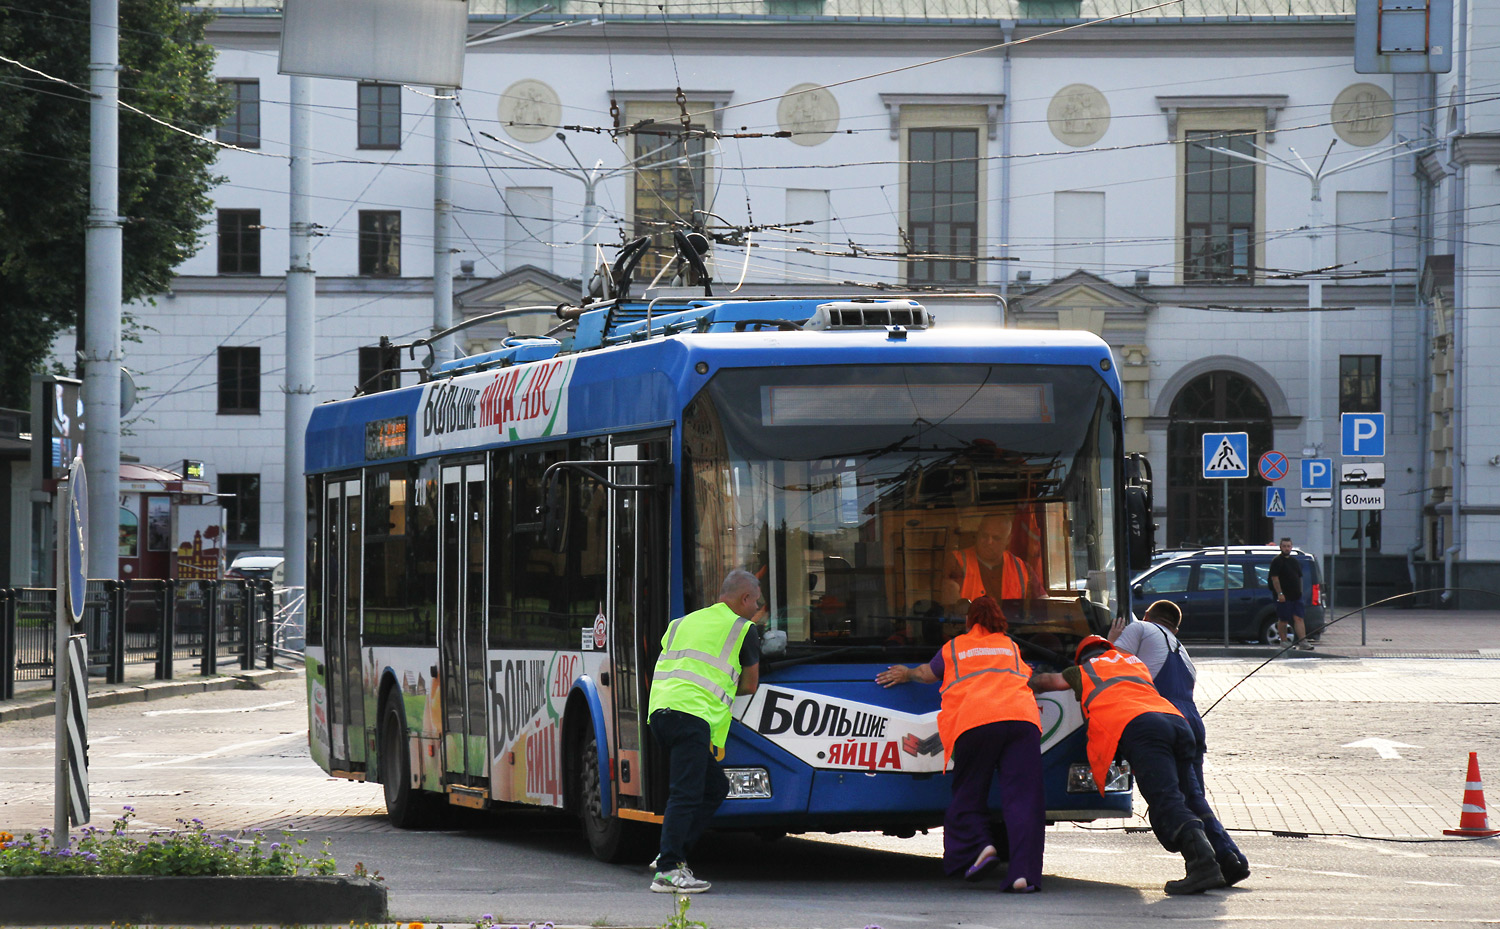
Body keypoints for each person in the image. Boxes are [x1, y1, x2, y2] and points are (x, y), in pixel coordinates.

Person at [1033, 635, 1228, 895]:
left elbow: (1047, 682)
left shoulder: (1084, 670)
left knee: (1166, 801)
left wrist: (1015, 678)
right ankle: (1226, 861)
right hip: (1177, 722)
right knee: (1187, 798)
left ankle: (1203, 865)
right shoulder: (1132, 662)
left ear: (1081, 658)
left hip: (1141, 728)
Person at [875, 596, 1046, 893]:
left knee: (969, 793)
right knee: (1024, 801)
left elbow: (927, 674)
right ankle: (1023, 875)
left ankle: (980, 847)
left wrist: (907, 673)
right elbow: (1027, 676)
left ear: (968, 620)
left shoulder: (955, 647)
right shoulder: (1010, 646)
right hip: (1023, 721)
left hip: (977, 722)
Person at [1110, 602, 1250, 886]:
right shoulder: (1182, 650)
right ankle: (1230, 858)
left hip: (1161, 719)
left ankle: (1212, 861)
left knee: (1174, 798)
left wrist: (1110, 641)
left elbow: (1113, 666)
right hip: (1192, 722)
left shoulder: (1139, 628)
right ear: (1175, 628)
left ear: (1147, 616)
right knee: (1194, 797)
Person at [646, 569, 763, 894]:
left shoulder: (681, 623)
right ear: (745, 598)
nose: (758, 608)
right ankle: (668, 872)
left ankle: (670, 852)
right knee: (685, 793)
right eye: (757, 601)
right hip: (691, 716)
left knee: (714, 787)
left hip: (661, 714)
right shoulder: (743, 629)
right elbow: (750, 685)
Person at [942, 512, 1040, 615]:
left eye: (996, 538)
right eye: (984, 535)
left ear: (1008, 540)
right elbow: (950, 611)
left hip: (1012, 625)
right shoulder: (955, 561)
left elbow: (1042, 607)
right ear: (978, 533)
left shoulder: (1022, 568)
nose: (989, 542)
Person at [1268, 537, 1312, 650]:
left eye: (1288, 546)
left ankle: (1303, 642)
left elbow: (1299, 577)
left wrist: (1300, 592)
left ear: (1291, 547)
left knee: (1299, 618)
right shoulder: (1277, 561)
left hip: (1296, 596)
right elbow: (1274, 578)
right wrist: (1280, 593)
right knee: (1283, 619)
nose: (1286, 548)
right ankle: (1284, 642)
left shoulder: (1294, 561)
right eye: (1284, 546)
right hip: (1283, 597)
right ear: (1280, 547)